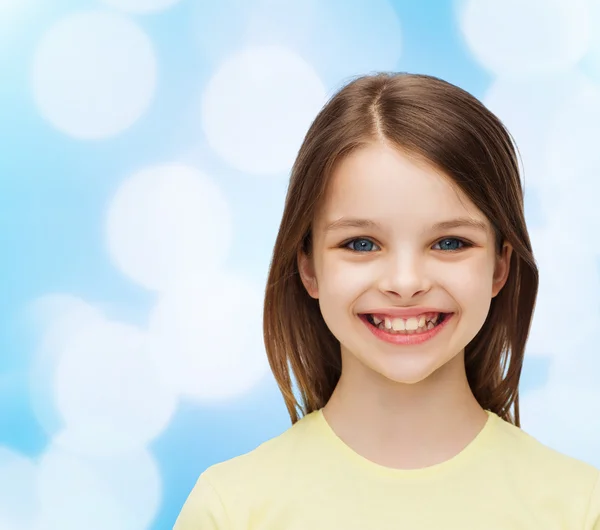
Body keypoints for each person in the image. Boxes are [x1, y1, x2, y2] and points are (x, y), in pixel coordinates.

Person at [173, 72, 600, 529]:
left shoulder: (579, 507)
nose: (405, 282)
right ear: (309, 267)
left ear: (500, 266)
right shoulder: (231, 509)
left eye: (450, 243)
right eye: (360, 244)